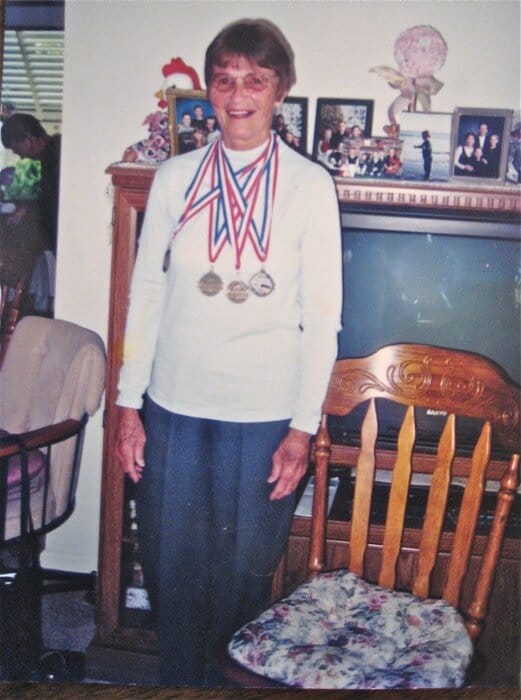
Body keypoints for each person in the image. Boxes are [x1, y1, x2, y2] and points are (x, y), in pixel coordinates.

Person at [115, 18, 342, 688]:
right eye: (225, 80)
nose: (238, 95)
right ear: (208, 91)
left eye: (255, 80)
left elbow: (321, 319)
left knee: (243, 577)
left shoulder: (308, 186)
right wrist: (128, 406)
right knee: (170, 571)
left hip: (264, 415)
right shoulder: (174, 177)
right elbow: (146, 294)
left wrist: (302, 428)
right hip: (173, 409)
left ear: (279, 90)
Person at [1, 113, 61, 255]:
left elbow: (52, 208)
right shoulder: (54, 152)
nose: (22, 157)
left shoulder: (54, 159)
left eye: (18, 150)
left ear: (29, 139)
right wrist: (27, 209)